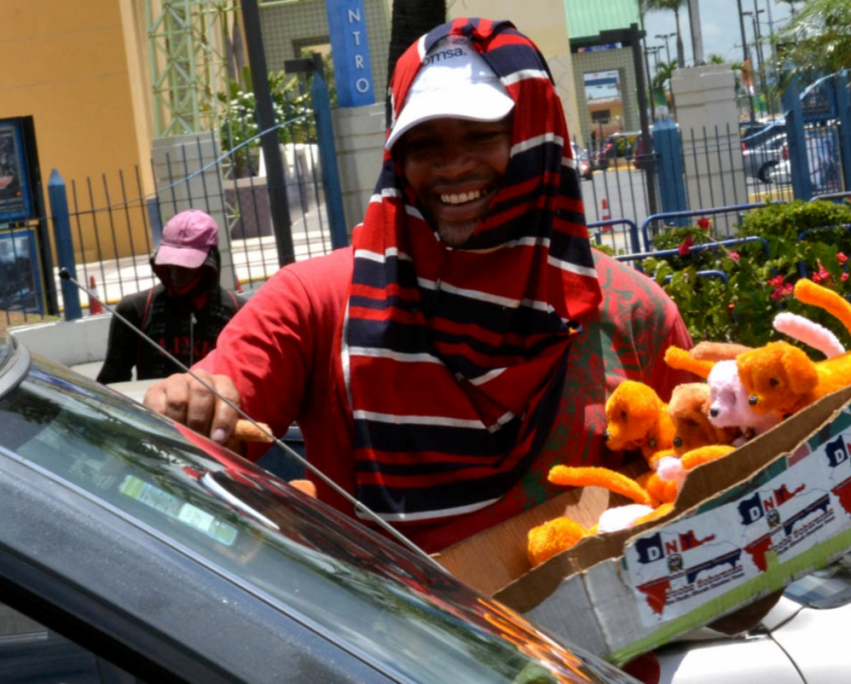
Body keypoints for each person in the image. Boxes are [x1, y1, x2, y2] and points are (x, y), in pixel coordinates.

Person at [143, 19, 693, 554]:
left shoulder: (633, 315)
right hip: (387, 645)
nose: (452, 167)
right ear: (396, 157)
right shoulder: (316, 302)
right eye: (423, 143)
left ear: (535, 141)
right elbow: (212, 417)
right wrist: (186, 406)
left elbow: (713, 541)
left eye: (482, 136)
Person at [97, 209, 246, 385]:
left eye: (186, 263)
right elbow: (111, 383)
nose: (175, 271)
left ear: (210, 262)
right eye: (170, 262)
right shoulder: (135, 310)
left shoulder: (240, 314)